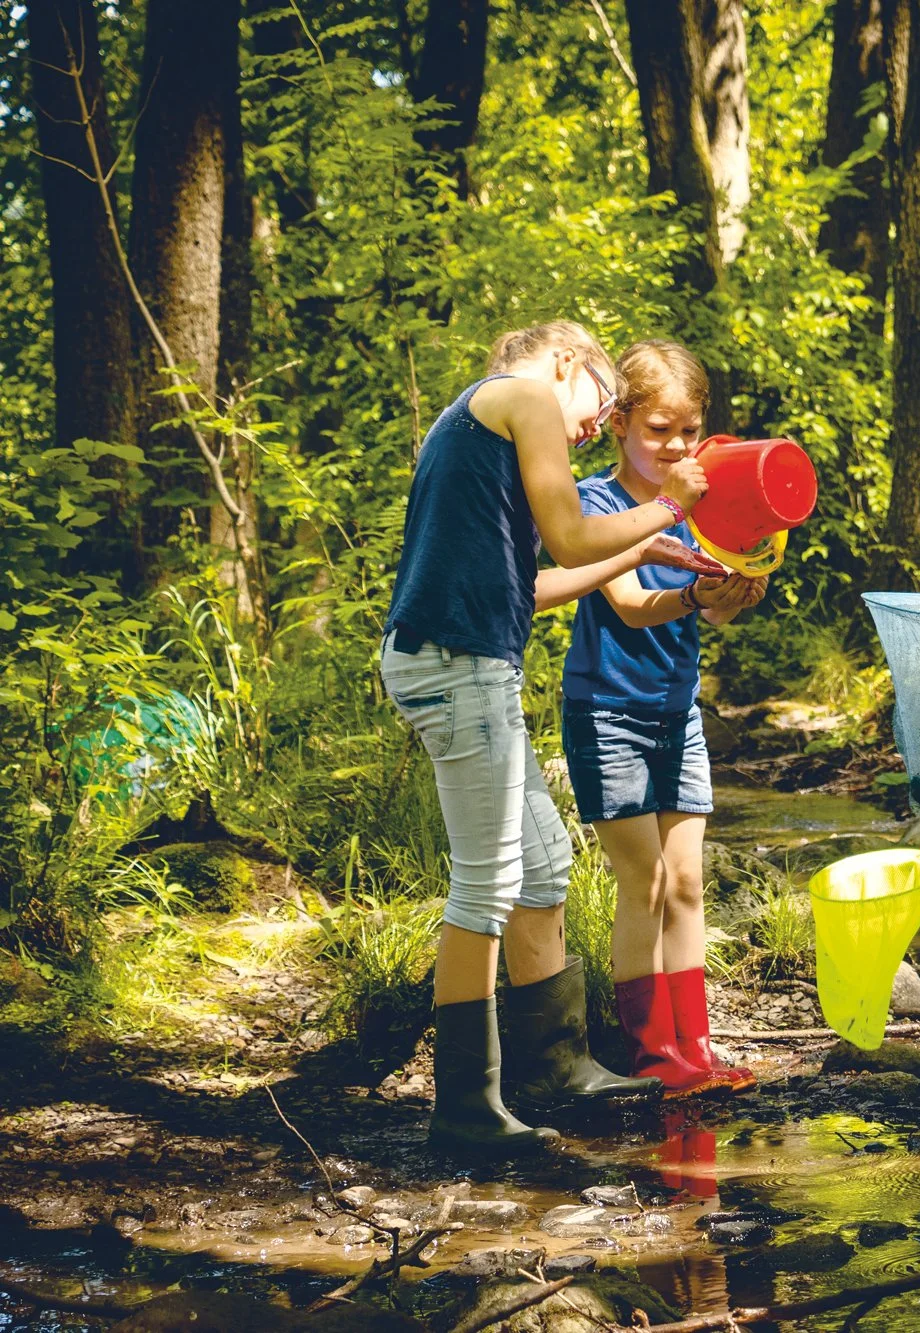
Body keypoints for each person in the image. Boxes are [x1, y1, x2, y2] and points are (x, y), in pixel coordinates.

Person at [379, 320, 723, 1157]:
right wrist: (673, 501)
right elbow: (571, 532)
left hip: (469, 663)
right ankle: (468, 1104)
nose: (590, 429)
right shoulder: (526, 396)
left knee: (542, 866)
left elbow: (536, 581)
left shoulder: (481, 419)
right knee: (488, 881)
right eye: (599, 410)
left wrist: (641, 545)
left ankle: (555, 1068)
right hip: (456, 662)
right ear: (568, 364)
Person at [561, 341, 765, 1100]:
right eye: (658, 430)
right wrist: (692, 597)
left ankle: (695, 1047)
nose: (677, 447)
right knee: (643, 881)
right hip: (607, 711)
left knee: (685, 883)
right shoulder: (596, 504)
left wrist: (731, 596)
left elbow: (710, 609)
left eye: (690, 431)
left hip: (678, 713)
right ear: (618, 423)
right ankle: (652, 1053)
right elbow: (631, 605)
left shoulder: (705, 505)